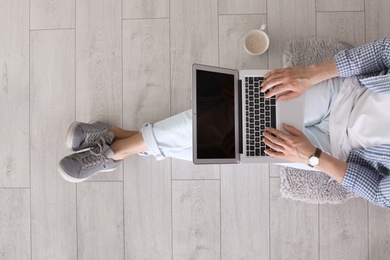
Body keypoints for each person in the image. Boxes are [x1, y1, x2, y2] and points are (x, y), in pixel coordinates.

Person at [58, 38, 390, 208]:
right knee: (227, 116)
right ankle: (119, 147)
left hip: (336, 150)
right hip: (346, 92)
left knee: (232, 143)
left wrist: (315, 158)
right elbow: (384, 52)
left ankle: (118, 147)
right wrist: (311, 73)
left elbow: (378, 190)